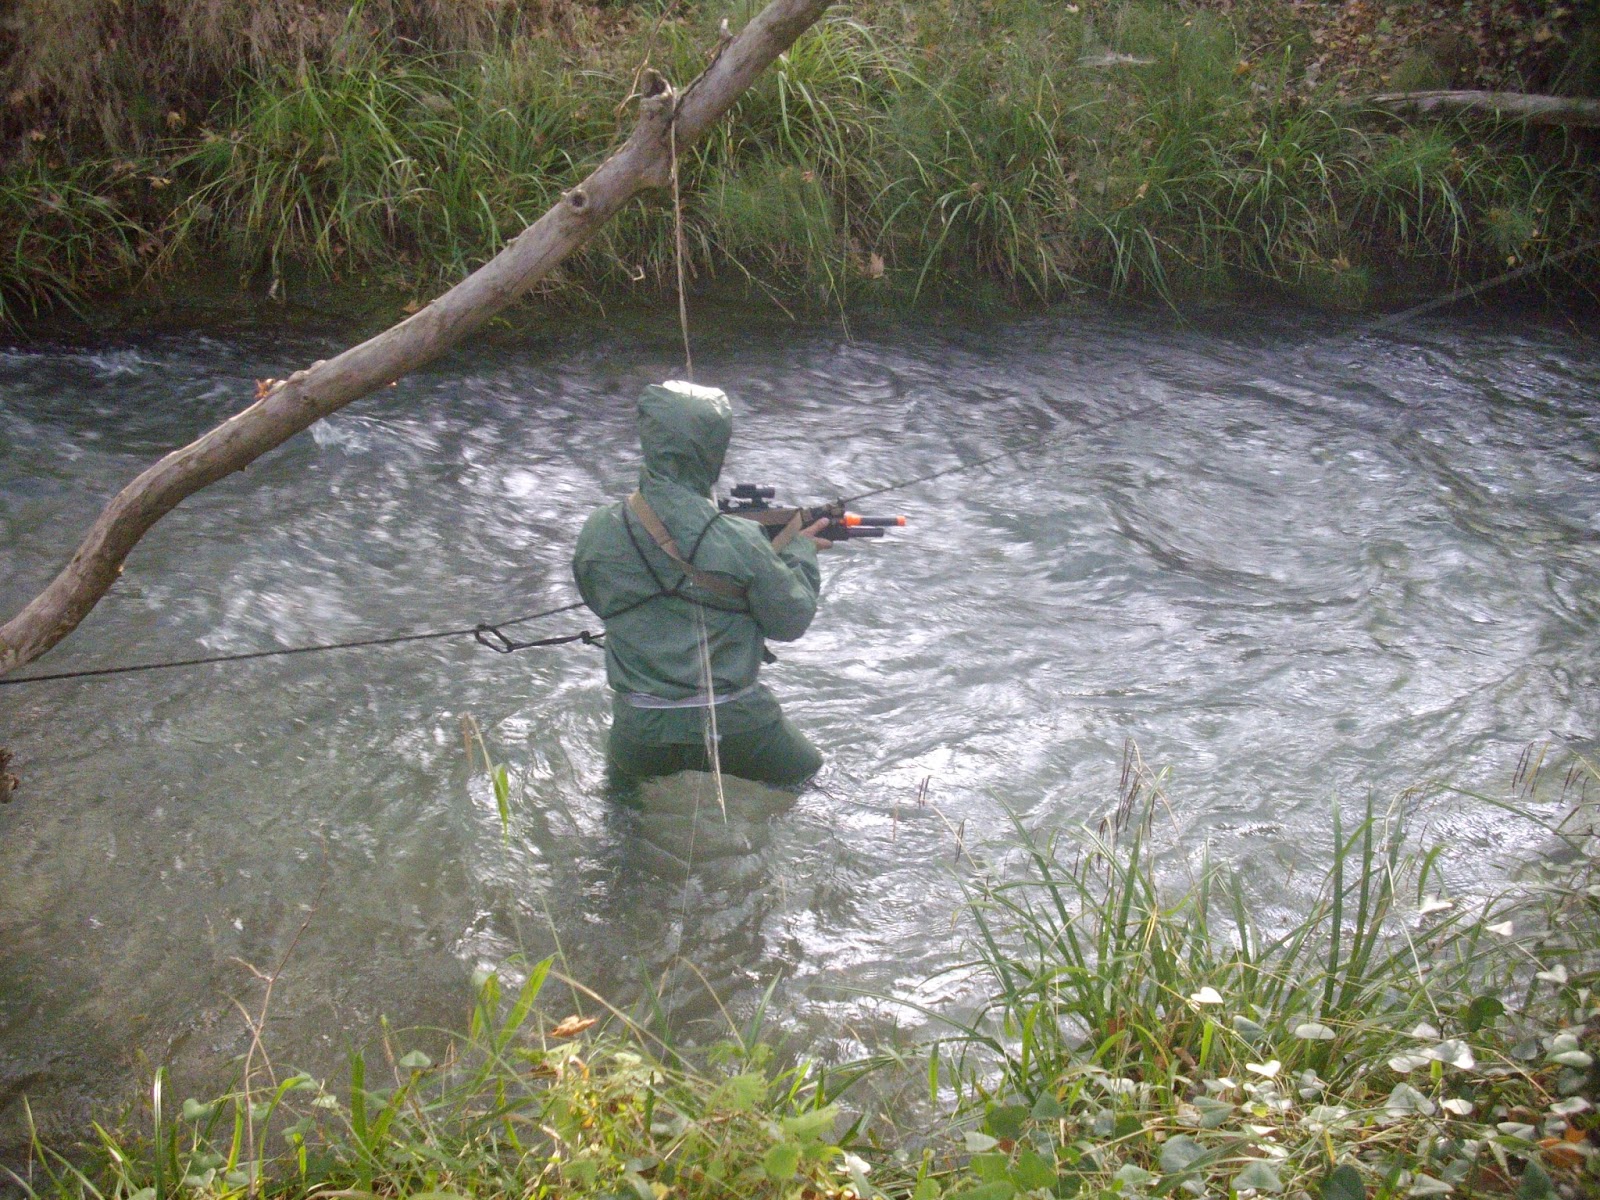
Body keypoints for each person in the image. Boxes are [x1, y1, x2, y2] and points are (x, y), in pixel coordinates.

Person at [572, 380, 831, 790]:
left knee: (620, 812)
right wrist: (800, 552)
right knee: (811, 784)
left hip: (642, 727)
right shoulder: (739, 537)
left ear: (651, 439)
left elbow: (598, 598)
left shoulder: (599, 528)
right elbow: (790, 620)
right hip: (737, 725)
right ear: (713, 448)